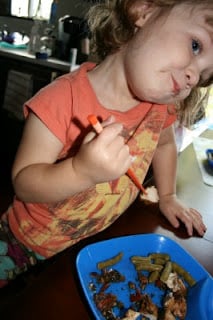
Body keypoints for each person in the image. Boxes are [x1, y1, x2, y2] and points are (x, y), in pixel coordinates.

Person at [0, 0, 212, 287]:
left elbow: (164, 145)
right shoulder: (61, 100)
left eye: (203, 75)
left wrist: (168, 196)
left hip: (87, 245)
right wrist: (80, 171)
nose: (192, 76)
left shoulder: (160, 108)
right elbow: (24, 182)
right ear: (144, 11)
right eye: (196, 46)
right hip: (23, 246)